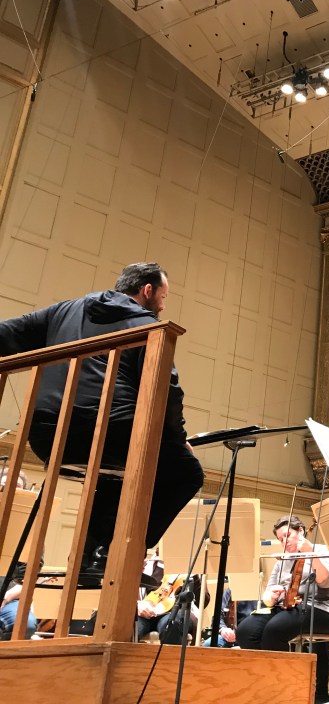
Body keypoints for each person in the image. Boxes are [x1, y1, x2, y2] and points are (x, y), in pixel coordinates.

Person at [0, 263, 204, 577]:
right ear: (146, 291)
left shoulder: (65, 310)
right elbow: (167, 392)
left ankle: (91, 555)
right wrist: (178, 441)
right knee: (186, 473)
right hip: (110, 434)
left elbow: (8, 333)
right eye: (163, 297)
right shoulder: (145, 325)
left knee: (111, 474)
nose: (163, 306)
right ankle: (119, 551)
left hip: (45, 436)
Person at [236, 515, 329, 704]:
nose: (284, 542)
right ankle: (266, 683)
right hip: (287, 608)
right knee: (245, 630)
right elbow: (268, 596)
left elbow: (325, 581)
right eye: (280, 539)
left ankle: (287, 688)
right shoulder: (282, 560)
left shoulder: (320, 550)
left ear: (300, 531)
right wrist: (271, 596)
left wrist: (309, 551)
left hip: (322, 608)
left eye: (287, 536)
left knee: (275, 629)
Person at [0, 467, 37, 640]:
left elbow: (29, 578)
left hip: (9, 598)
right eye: (5, 485)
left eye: (18, 488)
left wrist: (5, 597)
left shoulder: (30, 531)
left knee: (25, 625)